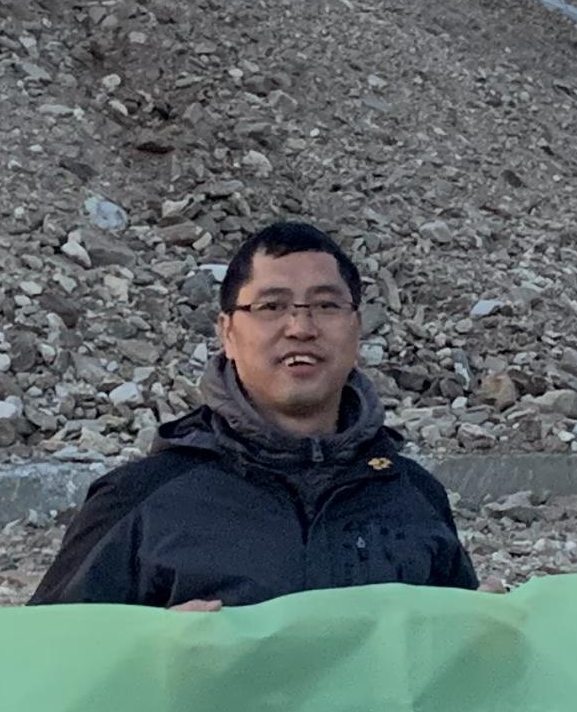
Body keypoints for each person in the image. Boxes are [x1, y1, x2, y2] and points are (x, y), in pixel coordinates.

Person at [34, 217, 477, 607]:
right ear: (227, 332)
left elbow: (451, 667)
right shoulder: (140, 499)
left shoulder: (413, 495)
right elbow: (49, 654)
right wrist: (150, 651)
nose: (300, 327)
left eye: (326, 305)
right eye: (271, 306)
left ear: (357, 328)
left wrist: (483, 632)